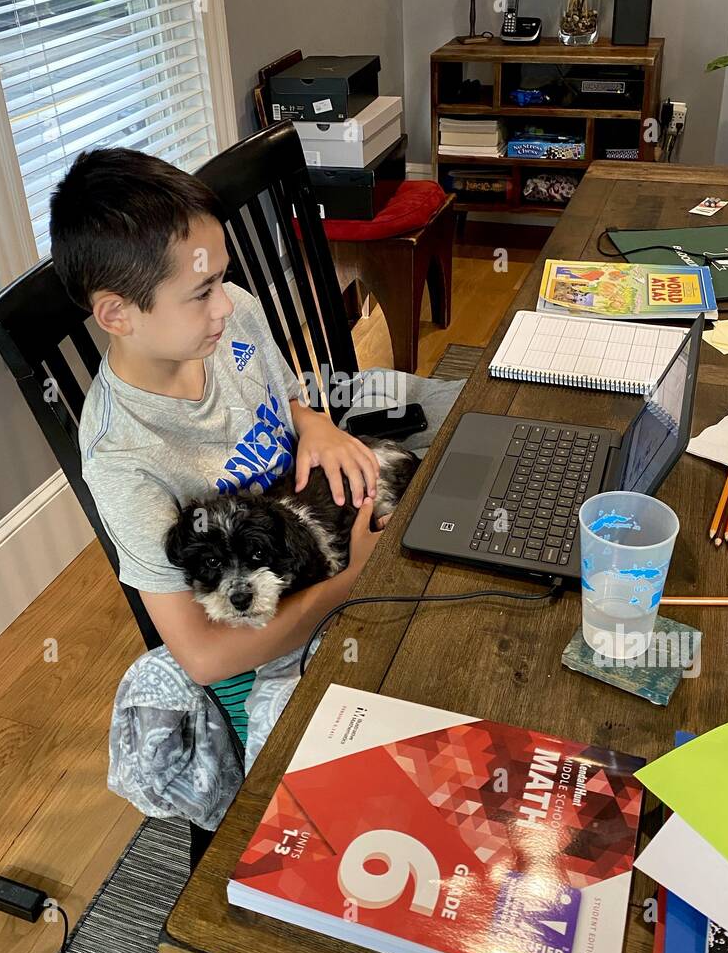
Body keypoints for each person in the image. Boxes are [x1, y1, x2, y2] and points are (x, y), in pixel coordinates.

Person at [49, 147, 461, 824]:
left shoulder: (226, 317)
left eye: (221, 281)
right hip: (287, 594)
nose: (225, 305)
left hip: (322, 494)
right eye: (200, 294)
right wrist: (348, 582)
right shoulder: (127, 459)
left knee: (481, 427)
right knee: (428, 628)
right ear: (117, 315)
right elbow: (206, 656)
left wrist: (313, 422)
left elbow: (284, 391)